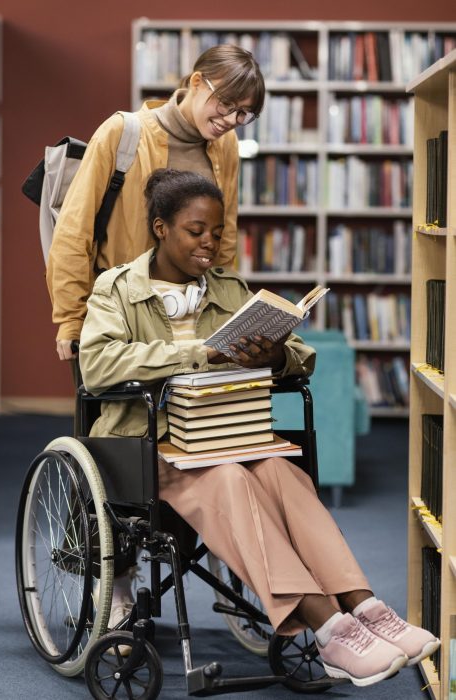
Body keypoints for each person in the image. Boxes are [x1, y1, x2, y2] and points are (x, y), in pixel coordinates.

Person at [79, 169, 440, 688]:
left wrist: (277, 357)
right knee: (230, 480)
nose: (209, 242)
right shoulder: (116, 289)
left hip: (229, 434)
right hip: (150, 443)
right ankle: (331, 629)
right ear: (160, 228)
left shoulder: (228, 288)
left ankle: (366, 609)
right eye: (195, 230)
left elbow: (301, 356)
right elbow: (98, 365)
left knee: (280, 469)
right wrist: (199, 353)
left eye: (216, 231)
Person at [47, 44, 265, 363]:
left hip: (195, 314)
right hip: (125, 313)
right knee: (128, 413)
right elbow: (72, 231)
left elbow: (225, 236)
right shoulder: (122, 133)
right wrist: (71, 318)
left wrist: (227, 309)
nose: (231, 119)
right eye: (226, 103)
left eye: (243, 113)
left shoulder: (226, 146)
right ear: (195, 82)